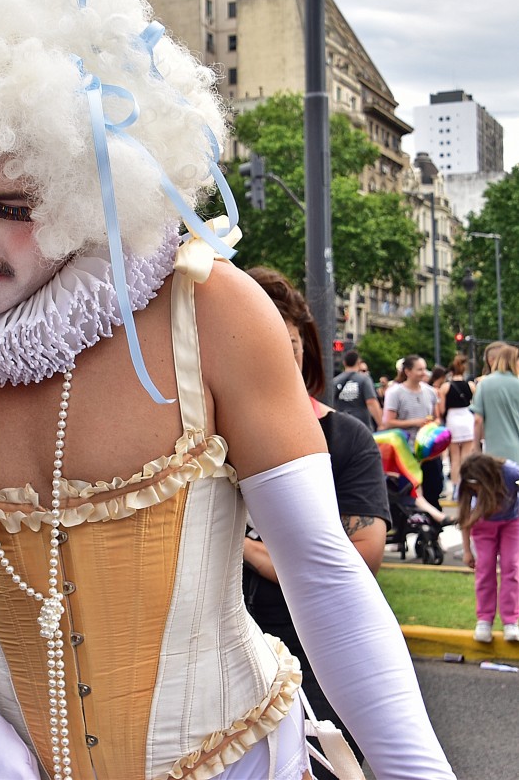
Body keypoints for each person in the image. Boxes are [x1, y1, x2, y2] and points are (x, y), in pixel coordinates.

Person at [0, 0, 453, 780]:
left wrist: (415, 770)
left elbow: (322, 573)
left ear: (80, 184)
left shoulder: (208, 308)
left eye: (15, 205)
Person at [241, 268, 390, 774]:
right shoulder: (191, 446)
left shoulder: (346, 438)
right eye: (262, 343)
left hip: (317, 666)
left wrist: (235, 545)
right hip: (222, 665)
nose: (283, 358)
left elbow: (363, 553)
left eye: (292, 344)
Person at [458, 452, 519, 643]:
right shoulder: (468, 484)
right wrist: (467, 550)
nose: (475, 490)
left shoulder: (510, 472)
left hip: (512, 523)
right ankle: (484, 620)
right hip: (483, 525)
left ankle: (511, 621)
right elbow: (465, 515)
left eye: (476, 485)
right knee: (484, 569)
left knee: (512, 567)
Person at [382, 354, 445, 508]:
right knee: (409, 490)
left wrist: (432, 425)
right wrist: (415, 422)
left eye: (424, 369)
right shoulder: (395, 392)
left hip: (429, 449)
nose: (424, 373)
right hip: (406, 449)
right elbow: (388, 422)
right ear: (408, 371)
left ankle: (433, 526)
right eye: (419, 369)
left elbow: (437, 418)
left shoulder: (430, 392)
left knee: (434, 487)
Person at [438, 354, 476, 496]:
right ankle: (467, 487)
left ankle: (455, 489)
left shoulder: (445, 387)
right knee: (466, 457)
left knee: (454, 458)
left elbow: (441, 410)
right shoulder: (471, 385)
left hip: (452, 421)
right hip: (467, 419)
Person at [333, 349, 382, 430]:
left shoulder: (335, 381)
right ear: (358, 363)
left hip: (341, 425)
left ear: (344, 363)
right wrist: (380, 424)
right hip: (362, 426)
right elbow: (371, 402)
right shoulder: (364, 379)